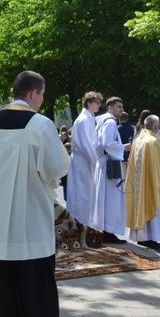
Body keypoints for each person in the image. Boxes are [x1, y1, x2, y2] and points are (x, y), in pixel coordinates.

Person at [0, 71, 70, 317]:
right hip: (31, 224)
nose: (41, 100)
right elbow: (58, 166)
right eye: (42, 95)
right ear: (32, 93)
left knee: (2, 292)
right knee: (36, 291)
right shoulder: (41, 125)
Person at [126, 115, 160, 249]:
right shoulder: (152, 141)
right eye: (159, 125)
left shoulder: (138, 139)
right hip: (151, 180)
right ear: (156, 127)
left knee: (141, 205)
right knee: (153, 207)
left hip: (139, 182)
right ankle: (151, 237)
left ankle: (142, 237)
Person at [91, 97, 131, 244]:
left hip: (104, 163)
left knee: (105, 198)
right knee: (111, 199)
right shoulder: (110, 122)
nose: (121, 110)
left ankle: (105, 230)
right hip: (109, 164)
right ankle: (108, 231)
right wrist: (123, 147)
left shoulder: (101, 121)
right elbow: (107, 144)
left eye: (121, 107)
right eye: (118, 107)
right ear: (110, 107)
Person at [66, 91, 102, 226]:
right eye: (97, 102)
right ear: (89, 103)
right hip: (82, 161)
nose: (99, 105)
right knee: (81, 195)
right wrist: (97, 164)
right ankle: (79, 227)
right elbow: (87, 145)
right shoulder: (83, 120)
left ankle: (83, 226)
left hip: (85, 160)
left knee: (86, 195)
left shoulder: (88, 118)